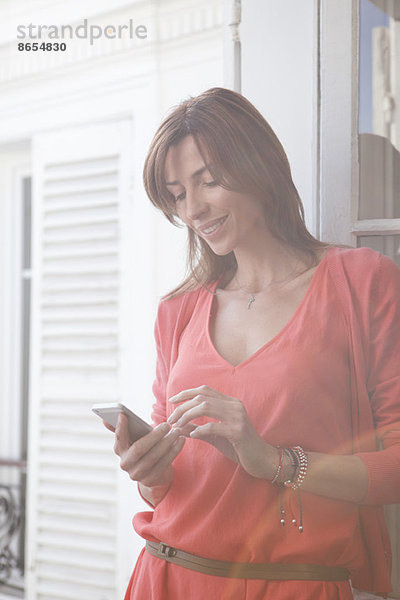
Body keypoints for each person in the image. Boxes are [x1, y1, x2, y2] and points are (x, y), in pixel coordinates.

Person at [110, 88, 400, 600]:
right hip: (166, 578)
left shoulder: (362, 283)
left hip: (296, 586)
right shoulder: (178, 311)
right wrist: (149, 474)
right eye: (177, 194)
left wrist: (274, 461)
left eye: (209, 181)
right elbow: (171, 486)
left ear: (259, 168)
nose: (193, 209)